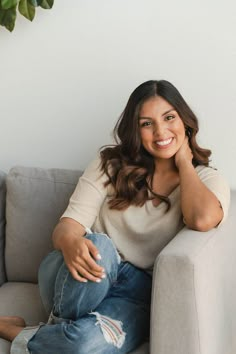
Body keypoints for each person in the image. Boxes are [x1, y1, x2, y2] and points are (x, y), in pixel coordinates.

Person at [0, 80, 230, 353]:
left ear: (185, 121)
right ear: (135, 129)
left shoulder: (207, 180)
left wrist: (183, 163)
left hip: (134, 297)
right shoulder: (109, 164)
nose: (160, 131)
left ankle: (31, 331)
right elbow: (66, 228)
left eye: (169, 118)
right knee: (101, 247)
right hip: (78, 274)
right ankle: (60, 332)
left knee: (83, 345)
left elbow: (202, 219)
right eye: (147, 123)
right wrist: (71, 242)